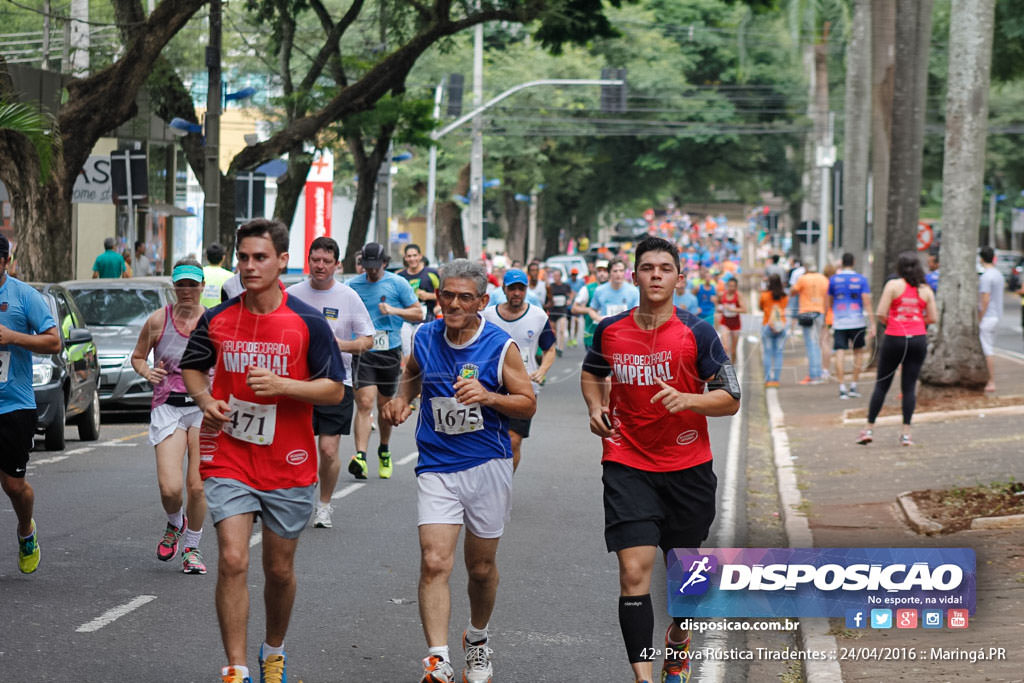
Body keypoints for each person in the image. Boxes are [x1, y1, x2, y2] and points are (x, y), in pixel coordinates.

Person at [180, 219, 346, 683]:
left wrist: (283, 385)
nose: (249, 266)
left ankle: (273, 649)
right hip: (229, 455)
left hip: (288, 461)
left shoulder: (307, 322)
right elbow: (193, 368)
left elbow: (335, 391)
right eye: (244, 257)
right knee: (233, 558)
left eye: (260, 257)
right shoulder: (219, 318)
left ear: (281, 262)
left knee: (278, 570)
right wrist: (205, 399)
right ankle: (234, 667)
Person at [580, 236, 740, 683]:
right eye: (647, 267)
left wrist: (689, 399)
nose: (655, 275)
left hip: (687, 466)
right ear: (633, 276)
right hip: (626, 460)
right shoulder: (610, 330)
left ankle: (679, 639)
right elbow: (592, 373)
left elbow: (731, 398)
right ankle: (643, 678)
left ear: (678, 278)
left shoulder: (698, 332)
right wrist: (595, 408)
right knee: (633, 572)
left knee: (686, 577)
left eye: (664, 268)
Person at [381, 259, 535, 683]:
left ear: (482, 302)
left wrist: (488, 396)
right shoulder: (426, 336)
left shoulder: (501, 347)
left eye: (464, 297)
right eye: (447, 294)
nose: (452, 303)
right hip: (437, 466)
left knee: (481, 569)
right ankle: (437, 658)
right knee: (434, 562)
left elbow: (526, 402)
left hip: (488, 464)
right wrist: (402, 400)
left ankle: (478, 640)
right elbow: (412, 374)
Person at [287, 237, 374, 529]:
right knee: (293, 448)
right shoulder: (290, 295)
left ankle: (323, 504)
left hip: (337, 382)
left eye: (326, 261)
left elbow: (368, 340)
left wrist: (341, 345)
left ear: (337, 265)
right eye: (315, 260)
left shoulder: (348, 297)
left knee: (327, 450)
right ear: (308, 260)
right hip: (296, 385)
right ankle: (289, 497)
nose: (320, 266)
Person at [130, 258, 209, 574]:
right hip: (169, 406)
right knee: (170, 489)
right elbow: (137, 357)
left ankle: (192, 548)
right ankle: (175, 522)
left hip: (204, 407)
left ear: (202, 286)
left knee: (198, 486)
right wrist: (146, 371)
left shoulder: (214, 321)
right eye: (182, 285)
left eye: (193, 284)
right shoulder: (157, 321)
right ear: (173, 287)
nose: (187, 290)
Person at [0, 233, 61, 574]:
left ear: (6, 263)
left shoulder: (24, 296)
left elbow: (54, 342)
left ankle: (26, 531)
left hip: (14, 405)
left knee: (12, 485)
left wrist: (12, 338)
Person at [346, 241, 422, 480]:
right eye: (366, 266)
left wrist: (393, 311)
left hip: (389, 350)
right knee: (365, 403)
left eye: (375, 266)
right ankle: (360, 456)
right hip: (364, 351)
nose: (370, 271)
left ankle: (384, 449)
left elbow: (419, 313)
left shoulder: (397, 283)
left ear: (385, 263)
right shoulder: (352, 285)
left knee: (385, 406)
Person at [857, 251, 937, 447]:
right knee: (909, 388)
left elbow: (881, 313)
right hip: (917, 340)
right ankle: (906, 434)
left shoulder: (893, 286)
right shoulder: (926, 290)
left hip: (895, 338)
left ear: (899, 268)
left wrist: (895, 323)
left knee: (882, 384)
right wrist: (916, 323)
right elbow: (933, 318)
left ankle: (869, 429)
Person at [481, 269, 556, 471]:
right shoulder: (488, 316)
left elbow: (550, 349)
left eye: (520, 289)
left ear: (526, 290)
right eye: (512, 288)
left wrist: (542, 370)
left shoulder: (538, 316)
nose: (516, 293)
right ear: (503, 289)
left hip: (524, 387)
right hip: (491, 385)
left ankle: (504, 484)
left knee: (513, 440)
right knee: (487, 440)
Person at [828, 253, 873, 399]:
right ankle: (854, 385)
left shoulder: (834, 280)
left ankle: (841, 387)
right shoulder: (861, 279)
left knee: (840, 352)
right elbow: (866, 301)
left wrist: (830, 317)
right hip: (857, 321)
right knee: (858, 352)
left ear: (842, 263)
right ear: (853, 262)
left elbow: (829, 301)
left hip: (839, 322)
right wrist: (872, 322)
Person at [790, 260, 829, 384]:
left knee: (811, 344)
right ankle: (818, 373)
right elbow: (828, 296)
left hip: (806, 312)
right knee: (817, 343)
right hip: (820, 312)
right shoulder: (823, 279)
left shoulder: (803, 279)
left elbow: (792, 291)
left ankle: (813, 375)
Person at [397, 243, 440, 356]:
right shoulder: (400, 277)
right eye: (409, 256)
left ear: (420, 256)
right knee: (408, 353)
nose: (412, 259)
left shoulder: (432, 273)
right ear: (405, 258)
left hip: (427, 319)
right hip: (406, 321)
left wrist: (429, 297)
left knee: (426, 353)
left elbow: (443, 294)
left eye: (414, 255)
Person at [978, 246, 1003, 393]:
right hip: (996, 316)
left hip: (988, 317)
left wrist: (980, 317)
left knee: (987, 349)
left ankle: (991, 381)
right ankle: (989, 379)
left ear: (981, 258)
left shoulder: (986, 276)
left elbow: (985, 299)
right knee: (989, 347)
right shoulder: (998, 274)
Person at [572, 260, 610, 349]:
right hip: (591, 334)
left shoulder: (616, 289)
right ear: (595, 273)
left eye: (605, 271)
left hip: (610, 334)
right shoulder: (588, 288)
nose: (602, 274)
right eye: (599, 271)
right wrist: (589, 310)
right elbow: (574, 308)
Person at [759, 273, 788, 387]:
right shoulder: (784, 296)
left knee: (767, 353)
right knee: (779, 353)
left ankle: (768, 380)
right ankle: (776, 379)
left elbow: (760, 307)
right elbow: (784, 307)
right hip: (781, 325)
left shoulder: (765, 295)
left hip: (767, 325)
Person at [717, 275, 746, 361]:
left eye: (733, 286)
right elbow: (719, 306)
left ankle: (733, 366)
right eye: (730, 286)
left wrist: (732, 309)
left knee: (733, 350)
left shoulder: (738, 296)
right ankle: (726, 368)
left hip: (735, 324)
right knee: (725, 347)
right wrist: (720, 308)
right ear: (727, 286)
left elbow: (744, 309)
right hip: (725, 322)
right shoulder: (722, 295)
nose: (731, 288)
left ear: (736, 287)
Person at [546, 268, 573, 355]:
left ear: (560, 276)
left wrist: (569, 300)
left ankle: (560, 348)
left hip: (562, 311)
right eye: (554, 276)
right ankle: (556, 345)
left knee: (561, 330)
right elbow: (547, 298)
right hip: (553, 311)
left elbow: (571, 294)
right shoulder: (551, 286)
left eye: (557, 275)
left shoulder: (565, 286)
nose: (555, 277)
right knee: (553, 331)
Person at [202, 242, 236, 308]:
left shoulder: (199, 273)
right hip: (222, 316)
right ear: (223, 257)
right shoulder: (231, 277)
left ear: (207, 257)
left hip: (201, 316)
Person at [567, 267, 586, 346]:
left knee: (576, 321)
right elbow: (565, 291)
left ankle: (574, 337)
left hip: (577, 304)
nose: (573, 276)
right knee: (569, 322)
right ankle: (569, 337)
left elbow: (584, 291)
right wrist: (571, 295)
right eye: (572, 275)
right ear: (570, 275)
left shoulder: (581, 282)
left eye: (575, 275)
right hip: (569, 305)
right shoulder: (567, 282)